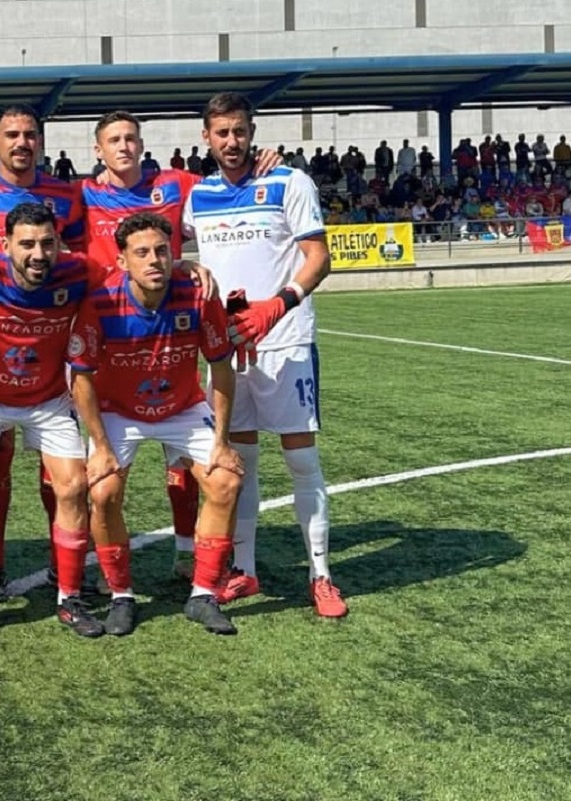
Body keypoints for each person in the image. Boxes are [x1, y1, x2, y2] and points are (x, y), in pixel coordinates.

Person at [182, 92, 346, 618]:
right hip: (229, 354)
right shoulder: (198, 197)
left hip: (285, 341)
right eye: (221, 133)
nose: (232, 142)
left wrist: (278, 305)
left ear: (253, 131)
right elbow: (161, 240)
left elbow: (318, 259)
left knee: (301, 460)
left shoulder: (289, 182)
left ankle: (321, 576)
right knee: (241, 463)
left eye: (240, 131)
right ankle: (246, 571)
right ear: (206, 138)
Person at [72, 212, 242, 635]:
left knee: (226, 481)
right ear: (122, 260)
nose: (154, 260)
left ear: (175, 255)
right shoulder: (100, 302)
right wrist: (100, 445)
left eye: (162, 251)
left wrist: (221, 440)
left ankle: (203, 594)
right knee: (104, 490)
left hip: (181, 407)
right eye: (142, 252)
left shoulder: (199, 296)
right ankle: (121, 595)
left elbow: (221, 369)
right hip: (118, 410)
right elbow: (82, 379)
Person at [0, 202, 103, 645]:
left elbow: (126, 269)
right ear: (5, 244)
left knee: (73, 487)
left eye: (48, 243)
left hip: (47, 398)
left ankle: (70, 597)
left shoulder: (77, 272)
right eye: (28, 244)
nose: (39, 253)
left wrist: (187, 268)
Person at [0, 104, 86, 601]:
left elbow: (84, 254)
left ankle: (65, 568)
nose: (21, 142)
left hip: (47, 340)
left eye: (30, 134)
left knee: (59, 475)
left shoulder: (66, 195)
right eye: (11, 135)